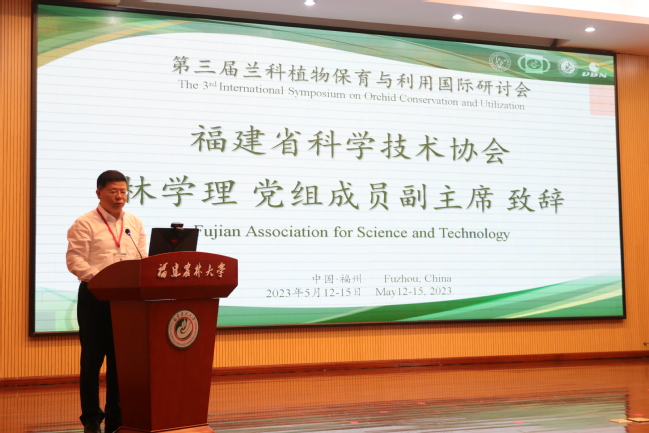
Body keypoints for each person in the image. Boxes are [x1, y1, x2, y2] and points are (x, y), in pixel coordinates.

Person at [66, 170, 147, 433]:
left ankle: (117, 415)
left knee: (119, 360)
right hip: (95, 297)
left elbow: (142, 257)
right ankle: (91, 417)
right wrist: (101, 278)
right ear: (99, 193)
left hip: (126, 300)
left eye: (123, 191)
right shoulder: (85, 223)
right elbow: (75, 260)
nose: (119, 196)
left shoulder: (134, 222)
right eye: (113, 191)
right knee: (92, 359)